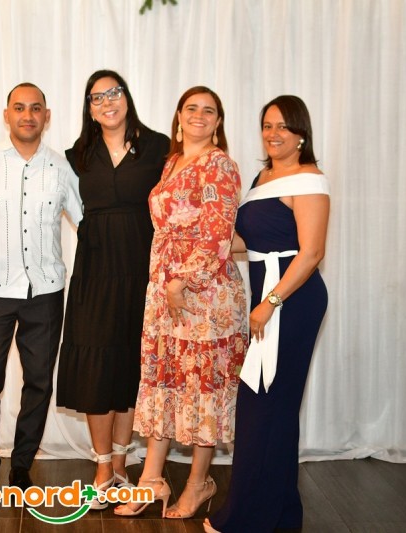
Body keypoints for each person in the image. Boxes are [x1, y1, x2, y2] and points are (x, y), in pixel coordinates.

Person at [114, 86, 247, 518]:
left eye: (209, 110)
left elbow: (218, 233)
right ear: (178, 117)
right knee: (165, 381)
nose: (199, 115)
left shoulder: (219, 165)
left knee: (201, 386)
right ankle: (152, 480)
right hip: (164, 289)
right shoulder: (172, 163)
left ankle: (198, 482)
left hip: (204, 295)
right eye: (192, 108)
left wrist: (182, 282)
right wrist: (165, 286)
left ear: (218, 122)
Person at [205, 95, 330, 533]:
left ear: (301, 134)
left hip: (292, 301)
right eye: (267, 125)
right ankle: (279, 514)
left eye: (283, 126)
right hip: (268, 295)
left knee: (268, 406)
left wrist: (270, 303)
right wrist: (200, 242)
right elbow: (250, 241)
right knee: (268, 408)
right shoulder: (263, 177)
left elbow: (311, 252)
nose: (274, 134)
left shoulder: (309, 180)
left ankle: (247, 518)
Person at [56, 70, 169, 509]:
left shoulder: (158, 147)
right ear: (89, 108)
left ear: (127, 97)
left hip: (143, 271)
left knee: (131, 364)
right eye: (97, 97)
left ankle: (121, 464)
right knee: (96, 367)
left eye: (114, 93)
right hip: (95, 272)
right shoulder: (78, 154)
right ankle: (102, 466)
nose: (107, 102)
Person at [0, 83, 82, 490]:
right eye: (19, 108)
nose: (27, 115)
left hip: (45, 291)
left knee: (39, 381)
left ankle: (22, 464)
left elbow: (87, 221)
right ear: (6, 115)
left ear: (46, 116)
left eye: (35, 108)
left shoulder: (62, 168)